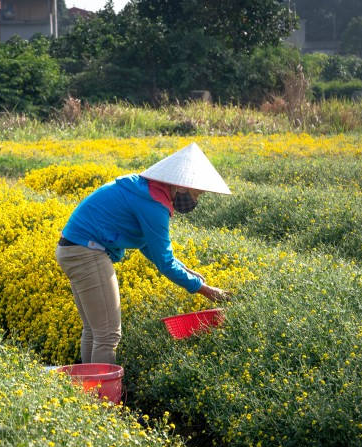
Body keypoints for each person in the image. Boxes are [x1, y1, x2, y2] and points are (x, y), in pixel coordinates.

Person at [55, 143, 232, 365]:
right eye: (196, 194)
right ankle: (100, 397)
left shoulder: (145, 189)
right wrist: (205, 290)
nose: (195, 201)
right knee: (108, 335)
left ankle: (86, 391)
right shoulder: (153, 205)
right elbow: (165, 263)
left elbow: (147, 245)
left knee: (94, 330)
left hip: (71, 249)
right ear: (181, 185)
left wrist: (186, 270)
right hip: (87, 252)